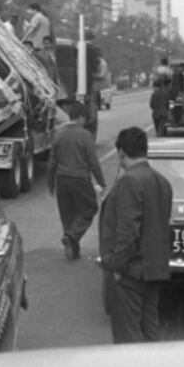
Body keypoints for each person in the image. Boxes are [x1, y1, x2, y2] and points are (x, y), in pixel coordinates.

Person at [98, 127, 173, 344]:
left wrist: (114, 266)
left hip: (130, 272)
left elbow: (128, 233)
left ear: (121, 153)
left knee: (127, 336)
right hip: (154, 269)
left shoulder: (129, 182)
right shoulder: (162, 182)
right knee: (150, 331)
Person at [48, 101, 106, 261]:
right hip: (80, 179)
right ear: (80, 117)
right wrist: (101, 181)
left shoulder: (58, 135)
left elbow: (52, 162)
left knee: (68, 215)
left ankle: (73, 249)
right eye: (85, 118)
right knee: (89, 209)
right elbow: (93, 161)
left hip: (61, 180)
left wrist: (50, 183)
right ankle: (72, 236)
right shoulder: (85, 135)